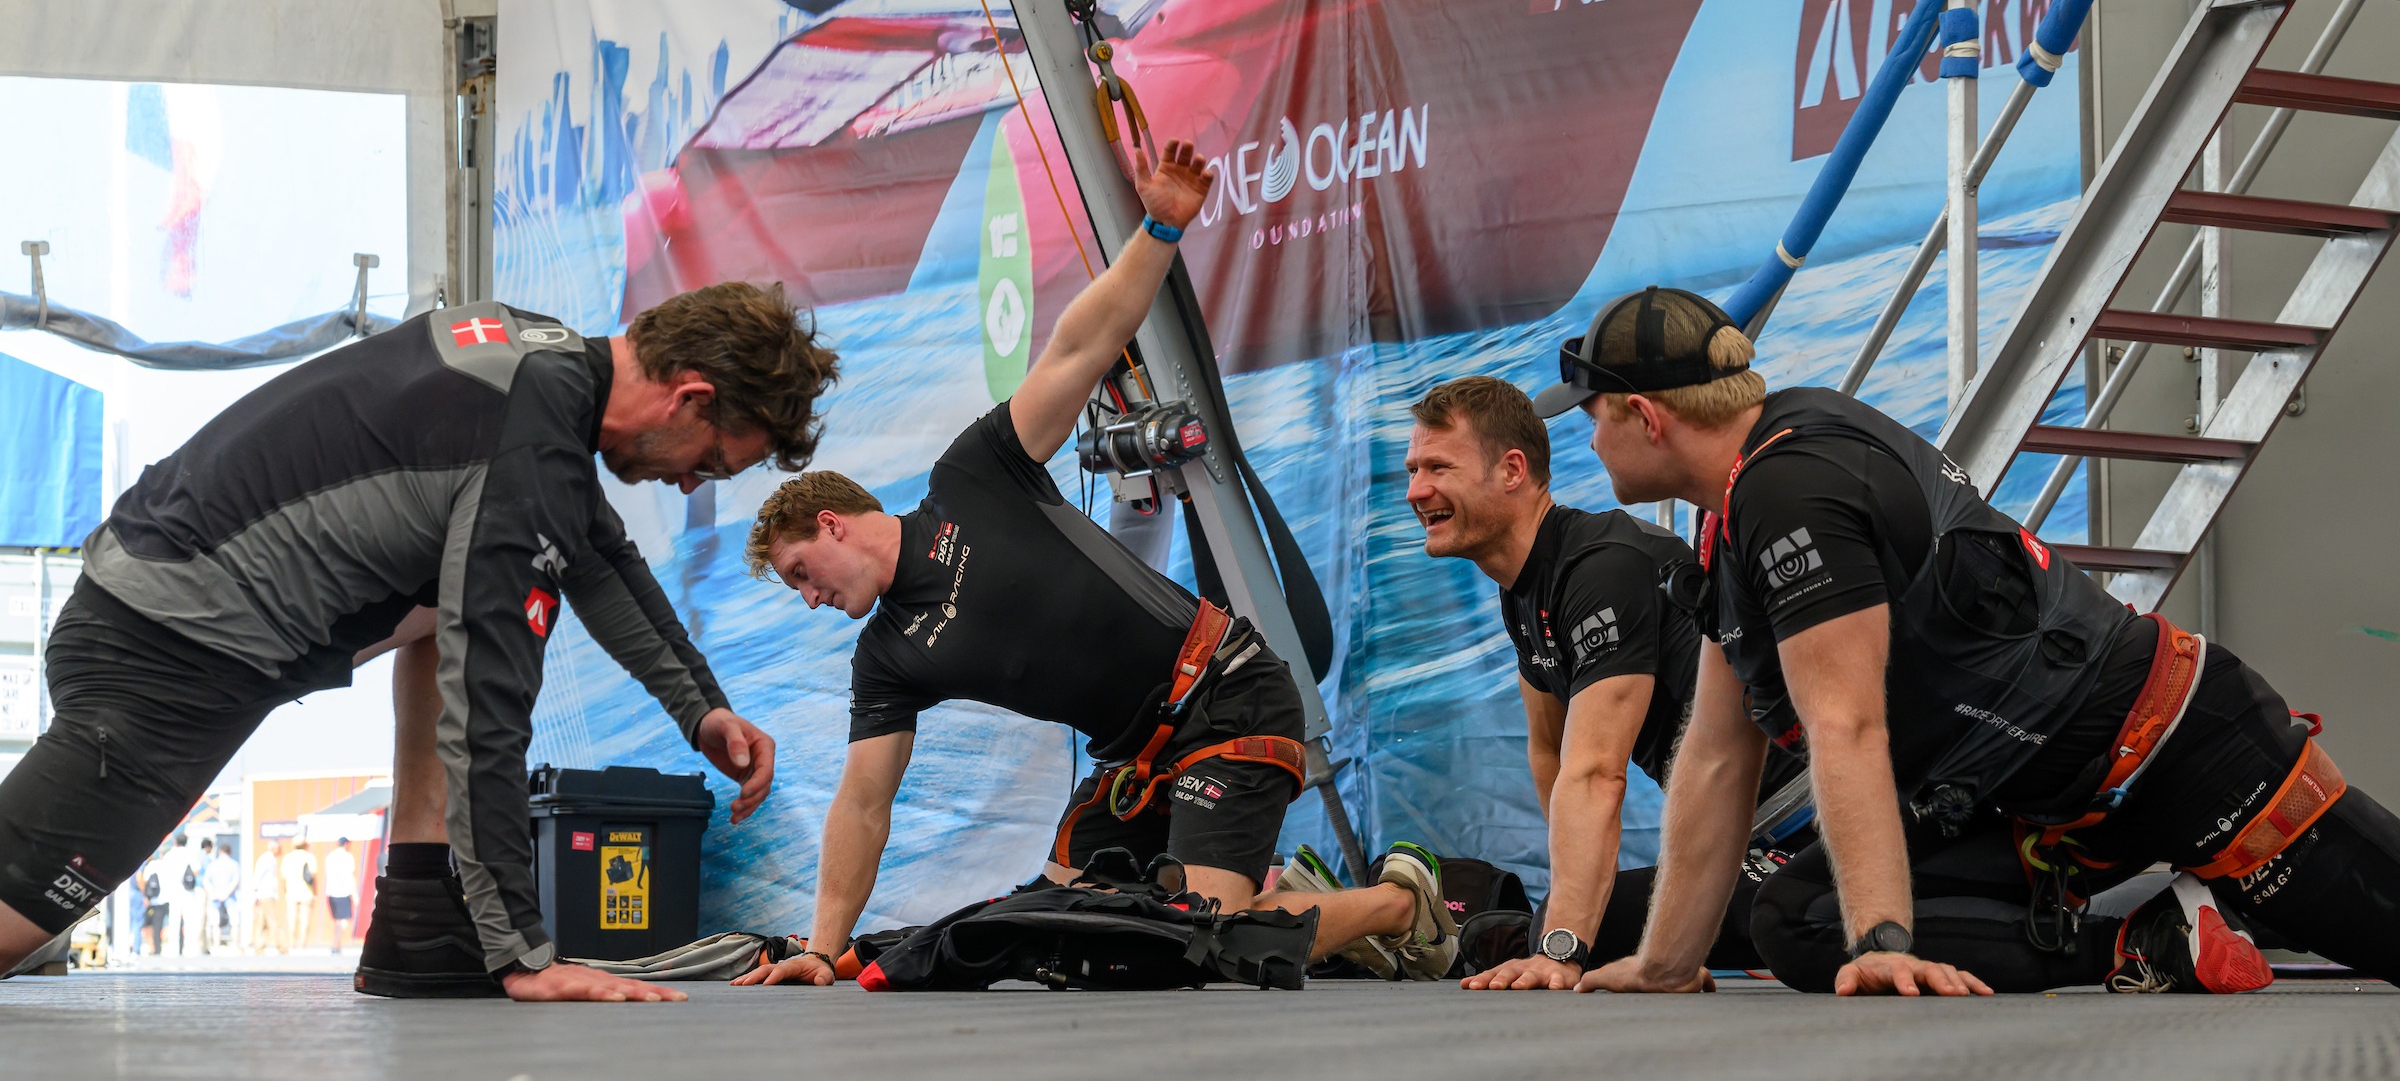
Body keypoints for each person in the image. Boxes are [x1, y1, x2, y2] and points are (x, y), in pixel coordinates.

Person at [733, 140, 1457, 988]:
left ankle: (1402, 905)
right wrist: (822, 947)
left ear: (830, 524)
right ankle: (1294, 905)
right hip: (1133, 760)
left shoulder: (972, 476)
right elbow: (863, 802)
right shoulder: (887, 659)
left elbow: (1081, 349)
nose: (809, 599)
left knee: (1199, 942)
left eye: (798, 574)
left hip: (1223, 694)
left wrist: (1157, 228)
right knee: (1065, 937)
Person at [1547, 286, 2400, 995]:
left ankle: (2219, 898)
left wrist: (1884, 941)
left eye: (1591, 416)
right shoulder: (1727, 520)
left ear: (1644, 415)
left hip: (2178, 750)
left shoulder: (1790, 489)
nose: (1587, 439)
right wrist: (1663, 966)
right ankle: (2152, 941)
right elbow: (1716, 755)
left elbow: (1846, 724)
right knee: (1797, 921)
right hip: (2047, 809)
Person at [0, 282, 831, 1003]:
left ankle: (426, 914)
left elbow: (601, 557)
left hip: (161, 595)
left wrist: (702, 711)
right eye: (713, 462)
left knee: (453, 580)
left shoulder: (541, 359)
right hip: (168, 651)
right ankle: (459, 921)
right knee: (14, 924)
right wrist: (522, 953)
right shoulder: (531, 448)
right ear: (689, 396)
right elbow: (490, 704)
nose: (691, 482)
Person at [1404, 376, 1808, 990]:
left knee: (1568, 930)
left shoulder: (1603, 565)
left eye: (1437, 466)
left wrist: (1563, 949)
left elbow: (1597, 772)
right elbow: (1550, 753)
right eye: (1413, 469)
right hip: (1742, 836)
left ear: (1512, 470)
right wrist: (1580, 894)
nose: (1416, 490)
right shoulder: (1524, 599)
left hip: (1805, 821)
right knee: (1530, 927)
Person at [162, 832, 204, 957]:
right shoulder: (189, 853)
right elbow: (196, 869)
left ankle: (173, 948)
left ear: (175, 841)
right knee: (189, 920)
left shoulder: (170, 854)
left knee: (174, 920)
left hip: (173, 891)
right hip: (187, 891)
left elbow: (165, 872)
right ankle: (189, 948)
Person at [202, 837, 241, 953]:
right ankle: (235, 946)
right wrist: (226, 893)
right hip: (230, 896)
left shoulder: (213, 864)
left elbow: (206, 881)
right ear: (230, 852)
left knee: (215, 923)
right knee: (234, 921)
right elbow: (236, 880)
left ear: (219, 851)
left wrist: (213, 893)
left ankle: (216, 946)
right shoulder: (234, 864)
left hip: (215, 896)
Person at [281, 840, 317, 953]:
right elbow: (314, 875)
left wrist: (286, 890)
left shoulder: (288, 858)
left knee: (291, 919)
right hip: (306, 892)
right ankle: (302, 945)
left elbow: (283, 877)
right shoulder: (309, 857)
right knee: (304, 919)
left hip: (291, 892)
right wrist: (315, 892)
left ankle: (292, 944)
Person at [249, 839, 285, 955]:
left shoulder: (269, 859)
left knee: (262, 921)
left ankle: (259, 946)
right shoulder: (267, 859)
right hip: (266, 894)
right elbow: (258, 875)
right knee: (272, 920)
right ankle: (281, 946)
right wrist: (255, 892)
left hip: (264, 894)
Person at [324, 837, 359, 954]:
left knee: (338, 920)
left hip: (331, 891)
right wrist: (354, 893)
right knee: (343, 920)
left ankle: (336, 944)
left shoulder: (330, 857)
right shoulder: (348, 857)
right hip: (343, 891)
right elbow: (350, 876)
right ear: (346, 844)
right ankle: (336, 944)